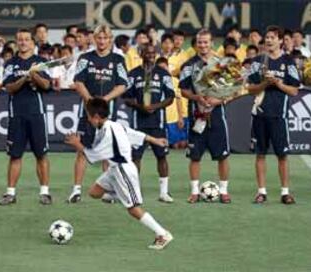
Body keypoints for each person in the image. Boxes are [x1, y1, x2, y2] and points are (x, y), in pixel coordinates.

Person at [65, 98, 173, 249]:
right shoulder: (114, 125)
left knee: (133, 209)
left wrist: (78, 145)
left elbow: (93, 156)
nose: (87, 119)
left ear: (96, 116)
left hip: (123, 170)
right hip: (114, 169)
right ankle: (119, 194)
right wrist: (155, 140)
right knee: (94, 192)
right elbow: (134, 134)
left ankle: (162, 234)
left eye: (88, 116)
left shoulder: (107, 133)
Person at [67, 24, 128, 203]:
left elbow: (122, 85)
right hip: (87, 112)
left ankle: (108, 190)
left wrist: (104, 100)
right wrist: (91, 102)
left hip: (108, 114)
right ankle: (76, 190)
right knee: (82, 149)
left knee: (108, 152)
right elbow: (78, 82)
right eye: (99, 38)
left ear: (110, 40)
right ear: (94, 39)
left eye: (105, 38)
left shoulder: (118, 59)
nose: (102, 42)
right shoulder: (85, 58)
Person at [0, 29, 52, 205]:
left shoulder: (41, 62)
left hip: (37, 114)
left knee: (41, 154)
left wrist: (34, 75)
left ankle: (45, 193)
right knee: (15, 155)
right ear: (16, 42)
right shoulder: (10, 63)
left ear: (32, 43)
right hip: (17, 115)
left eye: (26, 40)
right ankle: (10, 193)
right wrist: (24, 78)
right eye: (20, 39)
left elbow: (46, 85)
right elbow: (9, 88)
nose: (23, 42)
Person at [247, 25, 300, 204]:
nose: (268, 40)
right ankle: (261, 192)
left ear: (280, 41)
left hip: (279, 116)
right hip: (260, 115)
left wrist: (277, 82)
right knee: (260, 154)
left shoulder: (289, 62)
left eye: (272, 37)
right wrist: (264, 84)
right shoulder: (257, 61)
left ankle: (285, 193)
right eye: (267, 37)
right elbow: (250, 89)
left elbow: (294, 91)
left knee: (282, 155)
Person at [179, 29, 232, 204]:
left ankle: (224, 191)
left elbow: (233, 90)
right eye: (200, 42)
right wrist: (197, 97)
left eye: (206, 42)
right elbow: (184, 90)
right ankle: (194, 191)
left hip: (217, 116)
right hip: (197, 116)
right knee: (195, 156)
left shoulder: (223, 64)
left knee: (223, 156)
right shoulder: (188, 65)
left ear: (212, 43)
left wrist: (218, 100)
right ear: (196, 44)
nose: (202, 45)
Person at [124, 44, 175, 203]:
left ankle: (164, 192)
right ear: (141, 54)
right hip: (138, 122)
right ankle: (134, 192)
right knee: (136, 157)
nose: (151, 56)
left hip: (157, 122)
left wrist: (155, 107)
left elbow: (170, 97)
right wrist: (140, 107)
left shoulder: (163, 74)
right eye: (148, 53)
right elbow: (126, 97)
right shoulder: (133, 74)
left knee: (161, 156)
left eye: (153, 53)